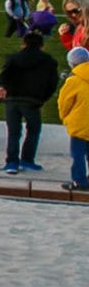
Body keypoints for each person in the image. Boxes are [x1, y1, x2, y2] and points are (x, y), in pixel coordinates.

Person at [0, 31, 61, 175]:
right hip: (32, 101)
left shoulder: (13, 58)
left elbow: (4, 75)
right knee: (33, 130)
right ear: (42, 46)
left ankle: (11, 162)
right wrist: (43, 99)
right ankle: (27, 159)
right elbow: (52, 83)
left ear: (23, 44)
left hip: (12, 99)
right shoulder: (48, 61)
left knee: (13, 132)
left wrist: (2, 87)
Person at [61, 46, 89, 192]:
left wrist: (65, 117)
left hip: (79, 124)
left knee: (77, 154)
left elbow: (64, 102)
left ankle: (80, 181)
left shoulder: (73, 80)